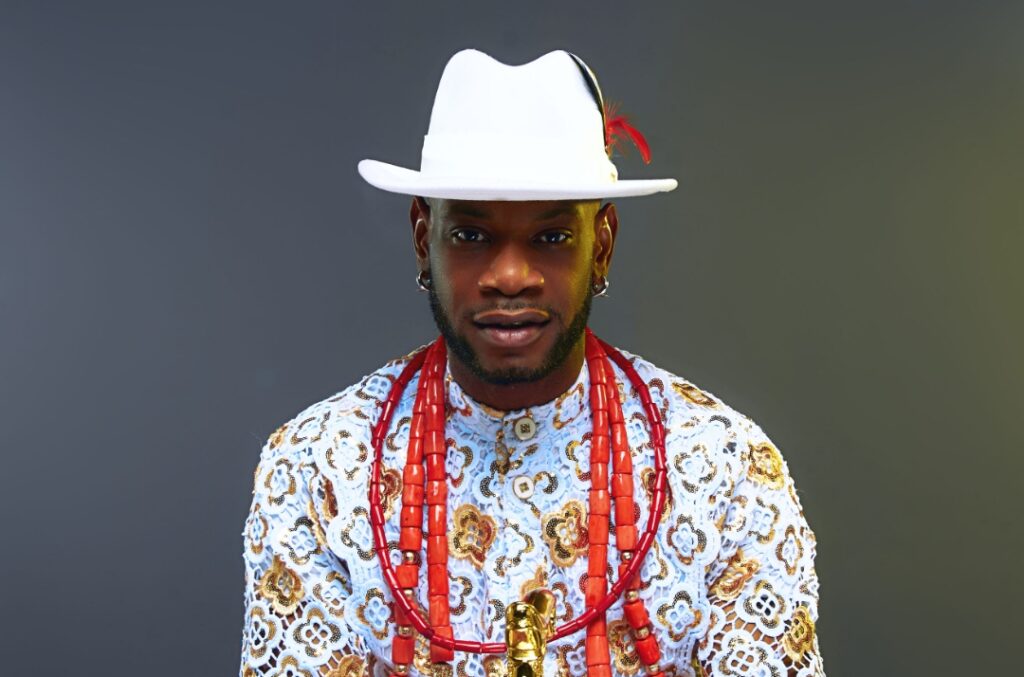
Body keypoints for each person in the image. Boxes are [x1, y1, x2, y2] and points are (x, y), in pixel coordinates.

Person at [239, 48, 825, 677]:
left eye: (552, 237)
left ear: (601, 246)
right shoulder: (318, 470)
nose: (510, 276)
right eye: (471, 235)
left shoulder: (724, 468)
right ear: (423, 239)